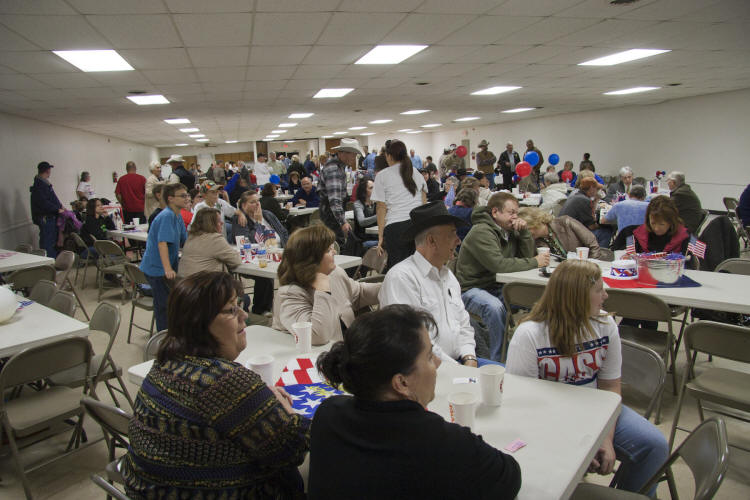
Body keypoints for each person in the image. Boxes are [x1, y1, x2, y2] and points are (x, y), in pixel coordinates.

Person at [121, 271, 310, 499]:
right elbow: (293, 447)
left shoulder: (164, 365)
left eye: (239, 305)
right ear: (199, 323)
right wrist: (285, 408)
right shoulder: (224, 381)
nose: (244, 314)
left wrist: (255, 400)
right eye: (231, 310)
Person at [309, 304, 522, 500]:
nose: (437, 362)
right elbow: (508, 475)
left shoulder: (327, 415)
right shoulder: (442, 443)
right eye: (429, 357)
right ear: (401, 383)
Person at [505, 260, 668, 496]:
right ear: (577, 297)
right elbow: (524, 406)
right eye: (599, 290)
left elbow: (610, 387)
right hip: (547, 418)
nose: (606, 295)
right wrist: (577, 442)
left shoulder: (604, 324)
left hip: (597, 410)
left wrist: (605, 437)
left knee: (654, 446)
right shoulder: (530, 335)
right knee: (556, 472)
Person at [379, 202, 480, 366]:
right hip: (422, 369)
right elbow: (414, 342)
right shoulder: (402, 278)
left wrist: (470, 357)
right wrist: (459, 369)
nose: (458, 241)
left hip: (458, 362)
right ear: (431, 241)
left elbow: (463, 325)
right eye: (452, 234)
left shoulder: (448, 276)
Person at [456, 193, 548, 362]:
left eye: (517, 213)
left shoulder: (509, 230)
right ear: (495, 212)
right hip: (471, 288)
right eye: (511, 212)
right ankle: (497, 361)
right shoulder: (481, 231)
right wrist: (535, 262)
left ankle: (535, 352)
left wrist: (525, 233)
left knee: (539, 299)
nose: (515, 217)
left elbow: (525, 258)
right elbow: (499, 265)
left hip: (497, 285)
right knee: (495, 308)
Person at [272, 225, 380, 344]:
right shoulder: (289, 294)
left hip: (345, 347)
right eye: (328, 250)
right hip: (313, 354)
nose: (334, 252)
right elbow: (317, 336)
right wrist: (323, 289)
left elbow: (359, 293)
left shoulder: (335, 273)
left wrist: (390, 284)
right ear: (311, 260)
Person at [372, 140, 428, 270]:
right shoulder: (415, 172)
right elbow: (423, 202)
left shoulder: (382, 176)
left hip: (396, 228)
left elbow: (381, 208)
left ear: (389, 156)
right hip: (417, 226)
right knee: (418, 268)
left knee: (399, 269)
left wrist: (380, 236)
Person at [140, 183, 188, 331]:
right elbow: (162, 244)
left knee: (170, 304)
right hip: (157, 269)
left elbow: (185, 241)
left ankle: (171, 333)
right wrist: (167, 269)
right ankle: (164, 337)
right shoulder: (167, 215)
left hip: (166, 266)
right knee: (165, 307)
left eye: (187, 195)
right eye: (182, 196)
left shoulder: (177, 215)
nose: (187, 198)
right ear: (170, 198)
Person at [518, 207, 614, 261]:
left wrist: (590, 266)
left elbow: (592, 244)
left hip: (591, 265)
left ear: (535, 222)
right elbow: (530, 259)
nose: (526, 234)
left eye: (527, 229)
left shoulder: (565, 222)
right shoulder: (536, 241)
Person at [319, 138, 361, 246]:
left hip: (330, 213)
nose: (354, 159)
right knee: (336, 245)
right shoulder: (334, 169)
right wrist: (343, 221)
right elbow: (334, 199)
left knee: (334, 245)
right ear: (344, 153)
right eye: (353, 155)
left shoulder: (338, 167)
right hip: (331, 215)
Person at [178, 208, 241, 278]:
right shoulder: (215, 238)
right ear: (210, 224)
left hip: (183, 281)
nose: (222, 223)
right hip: (203, 282)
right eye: (218, 221)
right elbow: (236, 260)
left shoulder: (191, 237)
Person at [560, 177, 612, 248]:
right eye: (597, 189)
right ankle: (599, 253)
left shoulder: (576, 196)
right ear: (591, 188)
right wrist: (604, 224)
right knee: (606, 231)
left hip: (564, 233)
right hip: (571, 237)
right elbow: (591, 226)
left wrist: (596, 200)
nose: (597, 192)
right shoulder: (584, 200)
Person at [30, 161, 64, 258]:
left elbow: (53, 198)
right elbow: (43, 202)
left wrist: (61, 206)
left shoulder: (45, 183)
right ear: (47, 171)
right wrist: (57, 209)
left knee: (52, 241)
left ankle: (53, 260)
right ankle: (49, 262)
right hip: (46, 217)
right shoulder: (39, 185)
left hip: (50, 217)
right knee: (47, 242)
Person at [353, 177, 378, 249]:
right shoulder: (358, 204)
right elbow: (362, 222)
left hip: (376, 237)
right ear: (363, 191)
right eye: (371, 188)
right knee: (385, 243)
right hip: (364, 240)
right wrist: (379, 216)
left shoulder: (377, 203)